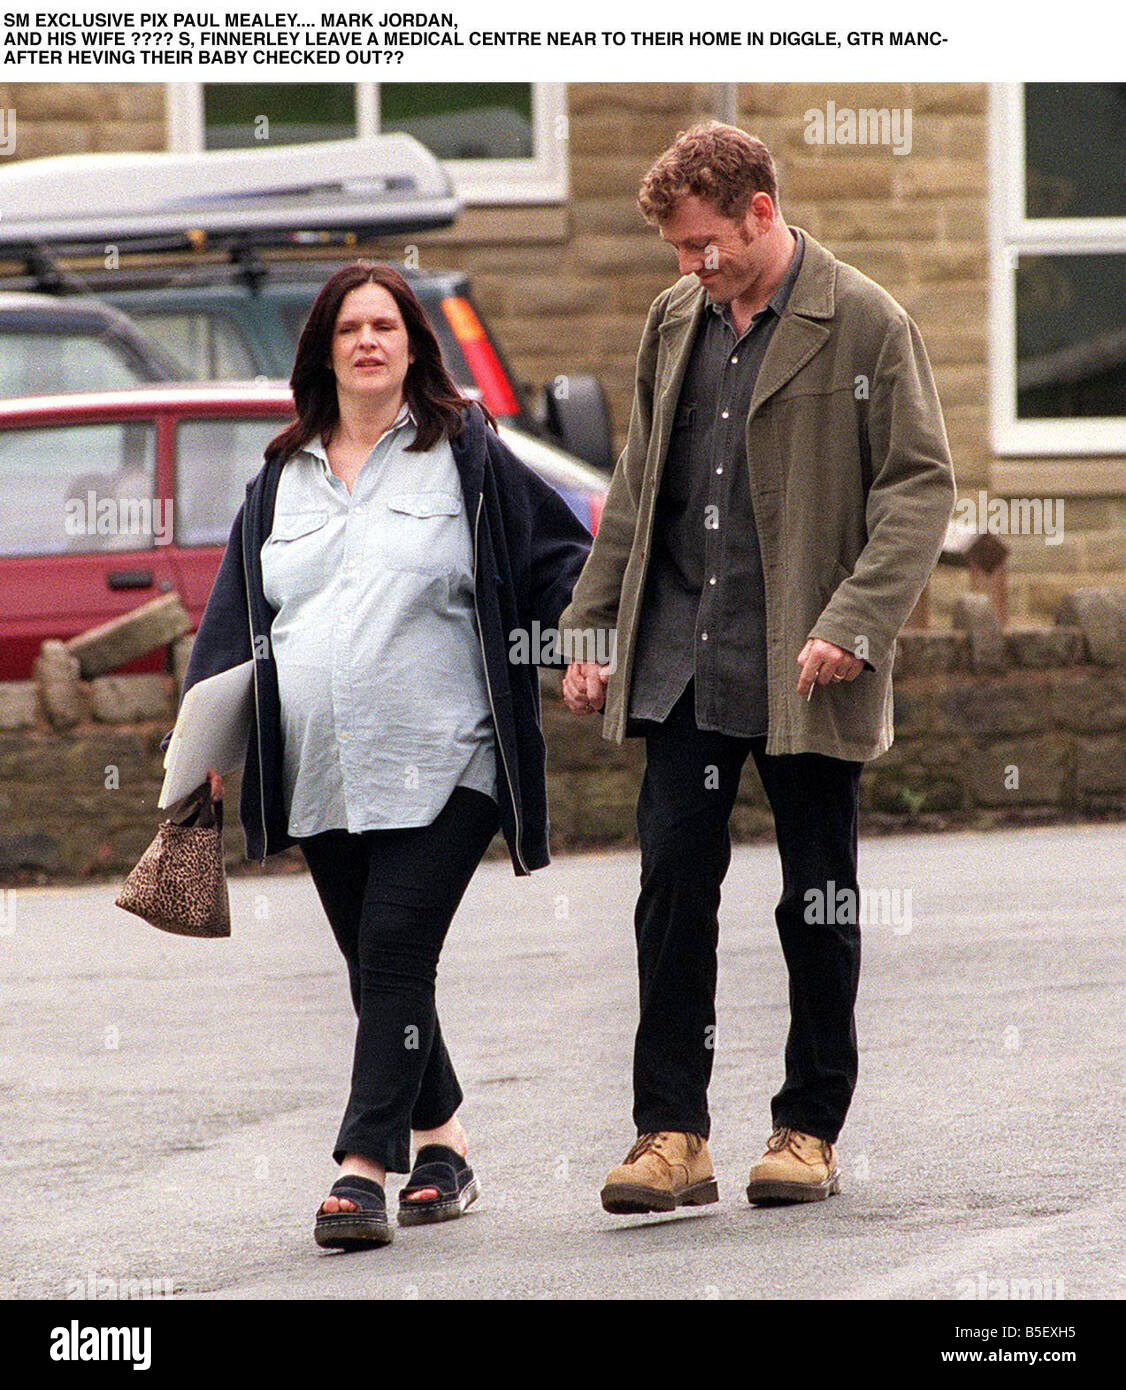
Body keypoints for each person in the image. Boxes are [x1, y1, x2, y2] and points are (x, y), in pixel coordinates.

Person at [558, 122, 956, 1214]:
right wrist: (591, 632)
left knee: (814, 898)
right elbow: (638, 487)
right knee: (672, 887)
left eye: (706, 243)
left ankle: (807, 1126)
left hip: (806, 666)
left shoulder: (865, 320)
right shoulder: (673, 318)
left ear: (761, 211)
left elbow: (919, 487)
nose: (695, 266)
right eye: (680, 249)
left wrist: (855, 619)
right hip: (683, 661)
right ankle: (669, 1133)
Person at [170, 261, 591, 1249]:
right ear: (322, 350)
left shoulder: (469, 459)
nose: (369, 340)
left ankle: (362, 1168)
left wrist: (578, 643)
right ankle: (442, 1143)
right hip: (319, 772)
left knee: (396, 949)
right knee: (377, 967)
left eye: (386, 326)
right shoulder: (278, 477)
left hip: (449, 761)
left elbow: (561, 557)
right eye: (350, 327)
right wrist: (205, 750)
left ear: (412, 347)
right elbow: (235, 622)